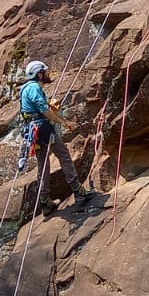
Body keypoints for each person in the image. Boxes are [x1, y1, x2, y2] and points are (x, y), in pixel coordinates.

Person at [19, 60, 93, 216]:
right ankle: (78, 191)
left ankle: (45, 201)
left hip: (34, 131)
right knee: (64, 156)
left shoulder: (25, 88)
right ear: (39, 74)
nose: (48, 74)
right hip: (43, 129)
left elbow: (37, 108)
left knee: (43, 165)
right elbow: (43, 108)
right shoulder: (34, 87)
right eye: (45, 71)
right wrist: (64, 123)